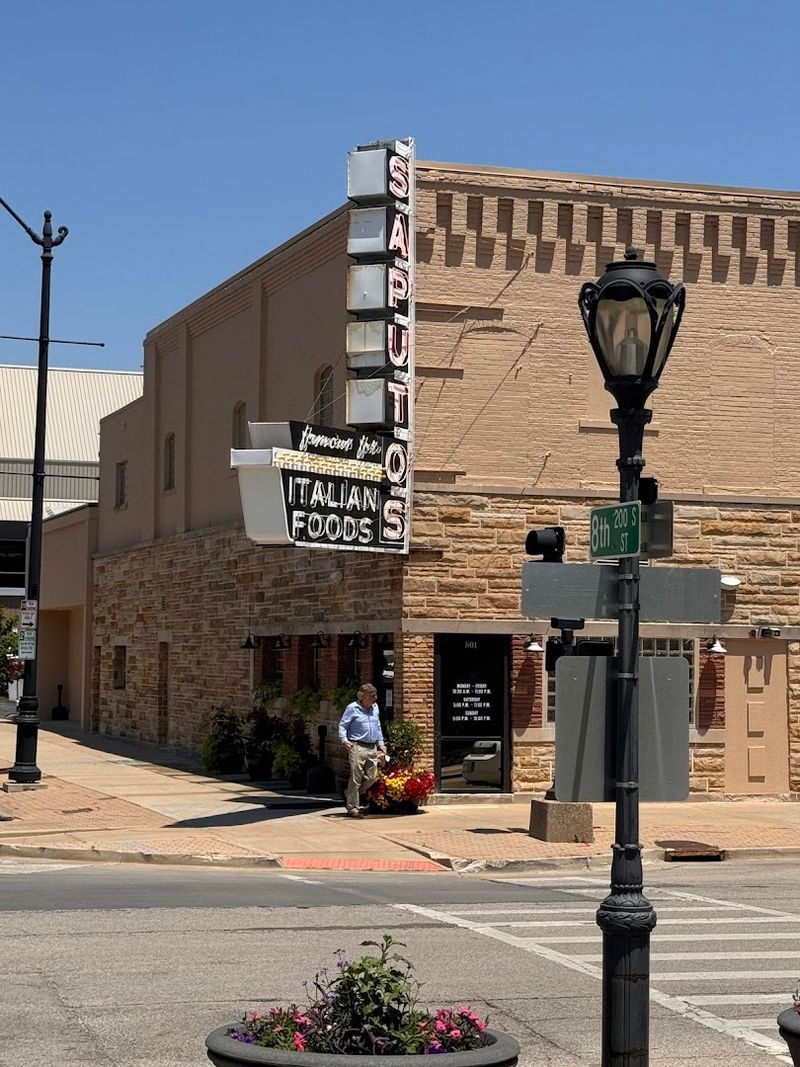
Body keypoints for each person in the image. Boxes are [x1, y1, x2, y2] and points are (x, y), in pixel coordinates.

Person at [338, 683, 386, 817]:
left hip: (372, 747)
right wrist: (344, 740)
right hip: (357, 746)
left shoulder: (375, 708)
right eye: (372, 696)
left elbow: (377, 726)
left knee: (372, 777)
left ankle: (350, 794)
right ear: (363, 697)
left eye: (375, 696)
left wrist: (381, 743)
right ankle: (353, 807)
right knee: (356, 777)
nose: (375, 699)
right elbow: (343, 725)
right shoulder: (352, 708)